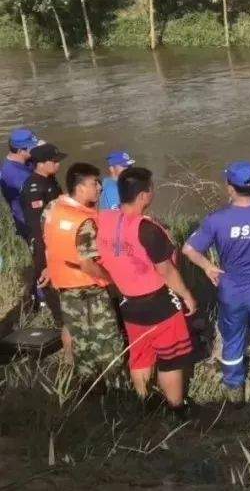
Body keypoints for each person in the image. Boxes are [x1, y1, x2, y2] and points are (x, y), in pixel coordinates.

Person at [182, 161, 250, 401]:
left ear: (229, 187)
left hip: (231, 289)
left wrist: (208, 267)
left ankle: (235, 390)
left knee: (233, 337)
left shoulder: (216, 219)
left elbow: (189, 249)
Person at [93, 167, 197, 419]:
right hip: (157, 302)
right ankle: (177, 408)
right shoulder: (147, 229)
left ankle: (144, 402)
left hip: (128, 301)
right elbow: (166, 271)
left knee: (140, 355)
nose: (153, 192)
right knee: (171, 358)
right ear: (143, 196)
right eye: (151, 188)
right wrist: (186, 294)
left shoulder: (103, 219)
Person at [42, 162, 124, 382]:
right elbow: (88, 264)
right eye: (94, 183)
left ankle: (88, 386)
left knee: (81, 340)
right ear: (80, 188)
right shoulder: (85, 221)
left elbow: (50, 241)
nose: (99, 187)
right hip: (90, 288)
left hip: (64, 287)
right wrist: (113, 280)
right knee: (107, 341)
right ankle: (117, 389)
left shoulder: (52, 208)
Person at [20, 143, 66, 324]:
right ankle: (60, 322)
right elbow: (36, 225)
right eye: (54, 161)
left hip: (58, 238)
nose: (58, 165)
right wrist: (46, 255)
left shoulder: (50, 180)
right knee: (49, 282)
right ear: (41, 163)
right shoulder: (34, 188)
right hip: (43, 243)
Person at [2, 127, 39, 241]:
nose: (36, 150)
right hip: (29, 222)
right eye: (32, 147)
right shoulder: (15, 176)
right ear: (20, 151)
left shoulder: (24, 160)